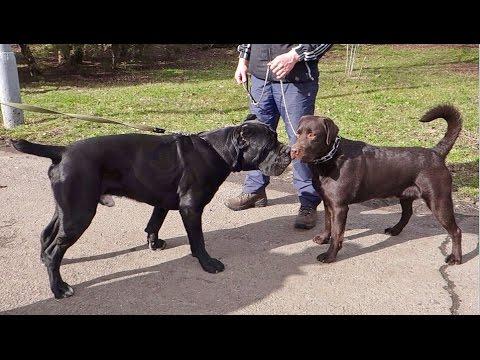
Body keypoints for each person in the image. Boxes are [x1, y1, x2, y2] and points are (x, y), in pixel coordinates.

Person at [225, 44, 332, 229]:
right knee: (256, 138)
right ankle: (254, 190)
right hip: (260, 78)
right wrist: (243, 60)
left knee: (300, 143)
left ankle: (308, 201)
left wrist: (293, 56)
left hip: (297, 80)